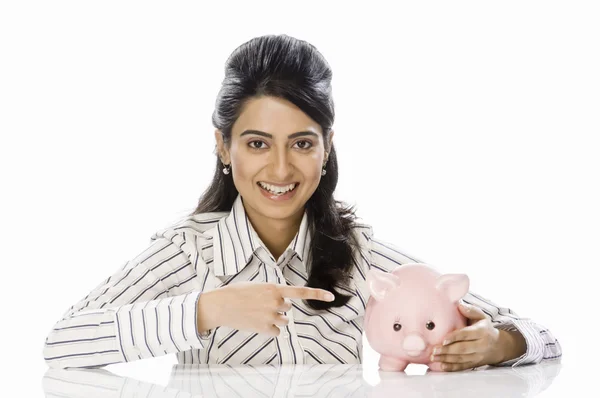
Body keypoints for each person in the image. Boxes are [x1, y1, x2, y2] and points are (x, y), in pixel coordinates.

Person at [43, 34, 562, 371]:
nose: (281, 170)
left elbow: (540, 336)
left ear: (327, 146)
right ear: (223, 145)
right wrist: (207, 310)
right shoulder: (189, 253)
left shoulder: (361, 256)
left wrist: (502, 343)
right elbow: (62, 343)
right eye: (257, 143)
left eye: (303, 142)